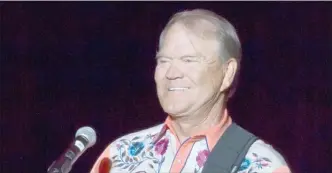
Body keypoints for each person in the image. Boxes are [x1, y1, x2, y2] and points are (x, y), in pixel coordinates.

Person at [90, 9, 291, 173]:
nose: (172, 73)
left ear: (227, 73)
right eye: (164, 61)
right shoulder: (118, 156)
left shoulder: (262, 165)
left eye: (188, 60)